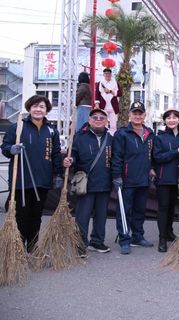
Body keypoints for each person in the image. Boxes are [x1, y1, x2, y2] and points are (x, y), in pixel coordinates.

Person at [1, 95, 63, 252]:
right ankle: (19, 248)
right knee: (21, 216)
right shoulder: (18, 127)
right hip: (21, 180)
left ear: (46, 110)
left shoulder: (52, 131)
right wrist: (10, 150)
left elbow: (56, 154)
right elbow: (5, 147)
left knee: (36, 216)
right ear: (29, 108)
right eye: (35, 106)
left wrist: (59, 174)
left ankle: (33, 246)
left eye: (42, 107)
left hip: (42, 180)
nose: (38, 109)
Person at [63, 106, 113, 254]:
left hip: (104, 182)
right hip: (85, 183)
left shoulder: (110, 138)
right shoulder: (79, 137)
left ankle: (97, 241)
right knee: (82, 216)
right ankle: (80, 243)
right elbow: (74, 155)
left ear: (106, 121)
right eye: (95, 117)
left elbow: (116, 159)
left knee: (101, 215)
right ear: (89, 120)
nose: (98, 120)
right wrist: (70, 160)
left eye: (101, 118)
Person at [111, 101, 155, 254]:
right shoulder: (122, 134)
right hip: (126, 180)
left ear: (144, 115)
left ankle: (138, 236)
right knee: (124, 211)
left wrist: (152, 169)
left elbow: (152, 156)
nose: (137, 116)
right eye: (134, 113)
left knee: (139, 210)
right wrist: (117, 176)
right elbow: (116, 157)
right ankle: (124, 239)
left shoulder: (150, 134)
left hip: (143, 180)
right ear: (129, 115)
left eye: (140, 113)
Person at [152, 108, 179, 253]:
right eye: (168, 118)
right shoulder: (159, 137)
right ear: (165, 121)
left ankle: (169, 232)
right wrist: (175, 152)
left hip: (178, 178)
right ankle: (162, 238)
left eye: (175, 117)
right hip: (164, 178)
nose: (172, 120)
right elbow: (158, 157)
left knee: (173, 207)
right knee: (163, 207)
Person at [95, 68, 122, 134]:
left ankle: (113, 139)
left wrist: (110, 91)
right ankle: (104, 139)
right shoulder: (100, 83)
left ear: (111, 74)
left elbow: (120, 93)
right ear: (103, 75)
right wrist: (97, 105)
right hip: (103, 107)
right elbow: (97, 95)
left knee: (113, 126)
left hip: (113, 107)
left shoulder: (115, 83)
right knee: (103, 124)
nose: (108, 75)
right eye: (106, 74)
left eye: (109, 74)